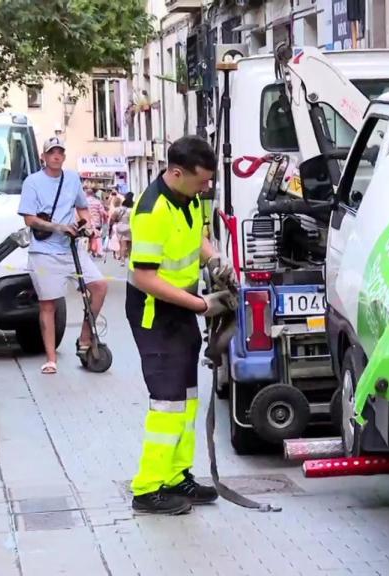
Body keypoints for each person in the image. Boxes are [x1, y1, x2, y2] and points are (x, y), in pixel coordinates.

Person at [126, 135, 237, 514]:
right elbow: (145, 277)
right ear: (176, 172)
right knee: (167, 403)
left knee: (187, 399)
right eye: (201, 181)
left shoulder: (189, 199)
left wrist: (215, 260)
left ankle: (176, 477)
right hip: (154, 314)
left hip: (181, 309)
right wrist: (201, 305)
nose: (206, 188)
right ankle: (147, 489)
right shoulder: (151, 210)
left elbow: (198, 237)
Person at [17, 137, 108, 375]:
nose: (56, 156)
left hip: (72, 247)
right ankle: (51, 359)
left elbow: (82, 208)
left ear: (64, 156)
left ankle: (85, 338)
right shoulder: (32, 182)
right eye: (51, 152)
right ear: (44, 157)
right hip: (45, 251)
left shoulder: (72, 178)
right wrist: (57, 227)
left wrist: (88, 225)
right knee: (48, 304)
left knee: (99, 285)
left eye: (60, 152)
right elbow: (29, 218)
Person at [84, 186, 107, 258]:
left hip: (85, 222)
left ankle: (88, 250)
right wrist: (104, 220)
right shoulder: (97, 202)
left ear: (86, 194)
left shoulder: (83, 201)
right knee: (96, 236)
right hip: (97, 222)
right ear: (93, 194)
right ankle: (96, 251)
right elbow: (102, 212)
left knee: (87, 236)